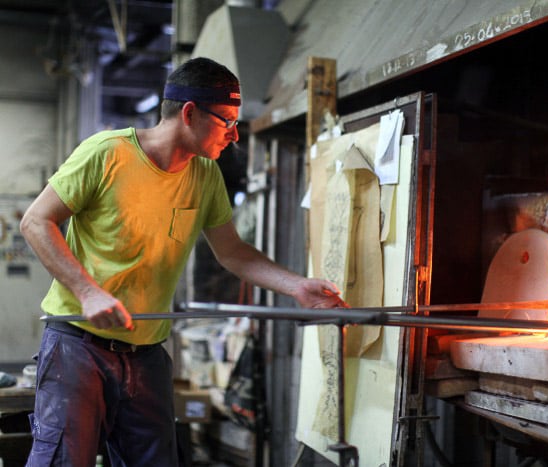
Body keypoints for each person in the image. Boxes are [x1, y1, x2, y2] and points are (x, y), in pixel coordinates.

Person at [19, 57, 347, 466]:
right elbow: (35, 221)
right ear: (190, 113)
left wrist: (296, 285)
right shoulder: (107, 154)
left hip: (146, 351)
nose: (234, 135)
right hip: (78, 344)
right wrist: (87, 293)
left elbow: (233, 252)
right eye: (226, 121)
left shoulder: (206, 176)